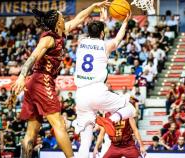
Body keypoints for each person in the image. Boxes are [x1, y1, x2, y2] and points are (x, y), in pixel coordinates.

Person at [10, 1, 110, 157]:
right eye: (62, 17)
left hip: (34, 83)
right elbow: (33, 57)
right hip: (41, 80)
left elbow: (80, 17)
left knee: (32, 130)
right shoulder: (48, 39)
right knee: (59, 124)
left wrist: (95, 5)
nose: (65, 18)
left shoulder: (61, 33)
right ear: (58, 22)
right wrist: (22, 76)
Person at [73, 8, 137, 158]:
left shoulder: (81, 42)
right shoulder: (105, 46)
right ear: (102, 33)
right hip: (98, 91)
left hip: (81, 94)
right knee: (131, 109)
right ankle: (110, 119)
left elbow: (95, 35)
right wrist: (125, 22)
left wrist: (101, 21)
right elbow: (118, 39)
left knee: (85, 142)